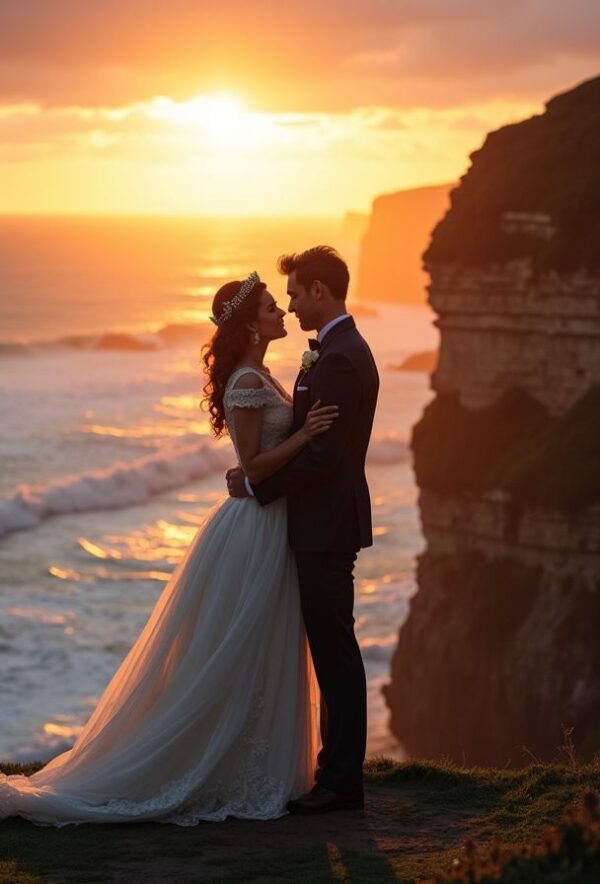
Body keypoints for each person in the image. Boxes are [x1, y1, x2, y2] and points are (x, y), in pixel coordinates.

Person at [0, 272, 340, 826]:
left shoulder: (263, 374)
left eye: (281, 305)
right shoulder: (246, 382)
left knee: (258, 649)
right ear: (251, 324)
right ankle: (206, 767)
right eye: (271, 308)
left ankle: (252, 764)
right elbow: (252, 466)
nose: (281, 313)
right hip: (254, 530)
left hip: (272, 524)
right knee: (232, 650)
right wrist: (305, 436)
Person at [227, 246, 379, 815]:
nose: (288, 305)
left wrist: (255, 485)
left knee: (335, 651)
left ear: (320, 291)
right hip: (318, 523)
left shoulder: (339, 358)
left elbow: (326, 460)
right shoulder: (333, 351)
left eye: (293, 294)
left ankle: (341, 782)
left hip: (326, 526)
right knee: (330, 647)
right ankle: (335, 773)